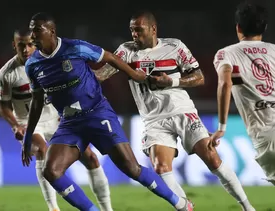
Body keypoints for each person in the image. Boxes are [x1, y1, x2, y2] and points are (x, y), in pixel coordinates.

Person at [23, 12, 194, 211]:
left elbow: (110, 57)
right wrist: (28, 138)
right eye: (31, 29)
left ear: (51, 31)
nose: (32, 35)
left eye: (37, 29)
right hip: (70, 123)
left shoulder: (75, 47)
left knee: (131, 168)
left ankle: (180, 203)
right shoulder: (32, 64)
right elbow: (36, 102)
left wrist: (134, 74)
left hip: (97, 113)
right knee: (51, 171)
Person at [94, 10, 255, 211]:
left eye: (138, 30)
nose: (134, 34)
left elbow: (199, 77)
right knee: (161, 167)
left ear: (153, 29)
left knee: (212, 158)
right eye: (131, 30)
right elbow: (101, 75)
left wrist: (172, 81)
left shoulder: (174, 46)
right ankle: (185, 207)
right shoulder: (126, 51)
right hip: (154, 120)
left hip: (182, 111)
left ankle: (247, 207)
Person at [0, 29, 113, 211]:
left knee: (91, 158)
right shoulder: (7, 74)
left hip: (57, 119)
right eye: (21, 45)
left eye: (30, 44)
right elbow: (3, 105)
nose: (26, 49)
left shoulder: (49, 64)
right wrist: (16, 125)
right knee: (43, 150)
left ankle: (107, 209)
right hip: (30, 123)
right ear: (14, 46)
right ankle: (53, 208)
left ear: (36, 43)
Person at [212, 2, 275, 186]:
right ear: (264, 27)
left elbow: (225, 83)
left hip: (267, 135)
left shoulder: (226, 54)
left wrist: (222, 127)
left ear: (238, 27)